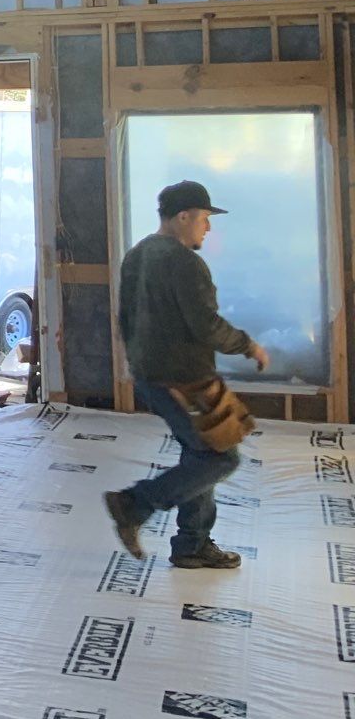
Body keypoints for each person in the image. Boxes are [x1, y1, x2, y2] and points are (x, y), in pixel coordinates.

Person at [103, 180, 268, 570]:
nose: (207, 228)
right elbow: (206, 326)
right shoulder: (185, 263)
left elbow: (125, 320)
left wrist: (140, 366)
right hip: (184, 381)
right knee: (221, 458)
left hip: (152, 376)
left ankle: (191, 544)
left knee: (198, 453)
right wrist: (248, 345)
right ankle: (134, 503)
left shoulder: (137, 255)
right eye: (204, 218)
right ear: (182, 217)